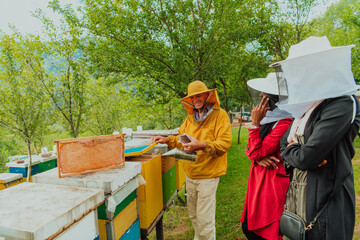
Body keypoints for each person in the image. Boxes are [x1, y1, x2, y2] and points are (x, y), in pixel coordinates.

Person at [272, 36, 360, 239]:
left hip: (327, 197)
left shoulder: (341, 104)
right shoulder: (306, 107)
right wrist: (296, 152)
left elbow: (306, 157)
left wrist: (296, 153)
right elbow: (284, 143)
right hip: (299, 194)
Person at [151, 80, 232, 240]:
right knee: (194, 217)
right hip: (191, 174)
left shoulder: (219, 115)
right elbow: (181, 139)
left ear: (207, 95)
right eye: (193, 97)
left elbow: (224, 144)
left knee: (204, 220)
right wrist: (167, 140)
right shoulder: (190, 119)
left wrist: (201, 145)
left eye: (199, 95)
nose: (196, 100)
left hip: (208, 175)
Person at [240, 73, 293, 240]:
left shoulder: (284, 122)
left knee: (266, 231)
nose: (260, 97)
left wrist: (254, 124)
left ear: (274, 98)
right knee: (248, 226)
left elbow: (255, 152)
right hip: (258, 178)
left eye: (264, 95)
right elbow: (251, 151)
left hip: (271, 183)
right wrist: (258, 157)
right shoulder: (268, 119)